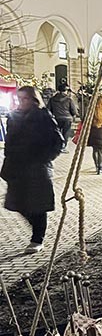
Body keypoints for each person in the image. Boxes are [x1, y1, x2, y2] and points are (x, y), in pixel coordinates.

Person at [0, 86, 63, 254]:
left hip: (37, 168)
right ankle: (36, 228)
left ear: (34, 99)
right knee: (18, 203)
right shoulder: (13, 117)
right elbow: (9, 142)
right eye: (19, 98)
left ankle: (37, 239)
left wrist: (43, 158)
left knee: (38, 205)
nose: (22, 102)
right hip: (17, 167)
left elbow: (58, 142)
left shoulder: (43, 116)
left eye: (25, 98)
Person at [46, 82, 78, 152]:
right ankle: (63, 147)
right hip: (67, 119)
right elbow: (74, 111)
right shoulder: (69, 99)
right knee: (66, 133)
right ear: (65, 91)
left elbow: (48, 110)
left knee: (57, 133)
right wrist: (74, 116)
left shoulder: (52, 99)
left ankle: (57, 146)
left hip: (56, 118)